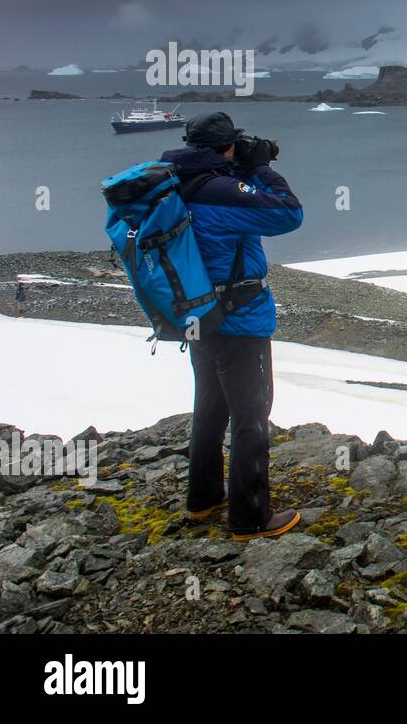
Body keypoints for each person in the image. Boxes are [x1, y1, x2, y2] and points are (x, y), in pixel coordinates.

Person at [161, 111, 304, 540]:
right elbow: (288, 214)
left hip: (197, 314)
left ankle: (202, 500)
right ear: (226, 146)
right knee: (251, 415)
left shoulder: (176, 183)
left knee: (209, 408)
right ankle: (251, 517)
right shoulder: (222, 190)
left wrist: (237, 167)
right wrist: (259, 168)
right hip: (239, 320)